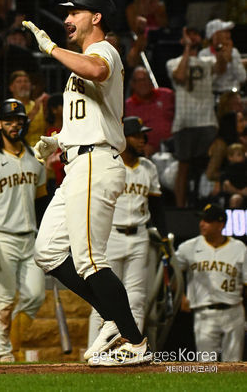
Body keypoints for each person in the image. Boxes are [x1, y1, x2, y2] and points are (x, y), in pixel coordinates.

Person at [23, 0, 151, 366]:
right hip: (79, 162)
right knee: (46, 250)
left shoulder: (104, 50)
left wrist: (50, 50)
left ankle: (135, 342)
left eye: (75, 11)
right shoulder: (81, 59)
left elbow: (97, 70)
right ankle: (113, 318)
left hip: (97, 161)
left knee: (90, 260)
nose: (67, 18)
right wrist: (57, 140)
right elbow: (91, 117)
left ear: (96, 18)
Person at [87, 116, 166, 352]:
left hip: (140, 235)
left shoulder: (148, 167)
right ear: (123, 138)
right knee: (103, 299)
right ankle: (96, 349)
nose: (143, 140)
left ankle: (130, 349)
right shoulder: (109, 164)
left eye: (143, 135)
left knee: (137, 299)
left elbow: (157, 207)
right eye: (137, 135)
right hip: (110, 236)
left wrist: (163, 236)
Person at [0, 99, 48, 363]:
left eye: (19, 120)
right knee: (4, 299)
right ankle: (4, 354)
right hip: (0, 237)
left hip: (31, 237)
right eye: (9, 121)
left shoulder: (35, 157)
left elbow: (42, 202)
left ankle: (12, 345)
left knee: (35, 295)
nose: (14, 125)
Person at [174, 203, 246, 362]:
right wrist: (181, 296)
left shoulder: (239, 248)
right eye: (202, 220)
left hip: (234, 311)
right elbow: (171, 271)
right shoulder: (189, 247)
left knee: (234, 366)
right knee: (206, 365)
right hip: (204, 312)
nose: (202, 224)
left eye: (207, 221)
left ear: (220, 225)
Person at [166, 27, 220, 208]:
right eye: (188, 35)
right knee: (184, 167)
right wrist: (187, 50)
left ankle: (207, 205)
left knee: (207, 167)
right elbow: (180, 77)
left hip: (207, 122)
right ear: (182, 40)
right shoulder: (173, 63)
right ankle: (181, 210)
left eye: (196, 34)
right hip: (184, 123)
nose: (192, 37)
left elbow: (222, 68)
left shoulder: (208, 60)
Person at [124, 67, 175, 156]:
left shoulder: (167, 95)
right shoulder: (128, 106)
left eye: (146, 79)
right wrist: (143, 146)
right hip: (146, 153)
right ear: (133, 84)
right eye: (139, 80)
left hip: (174, 149)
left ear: (151, 81)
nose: (143, 83)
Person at [199, 19, 246, 95]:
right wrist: (221, 60)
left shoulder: (234, 52)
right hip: (214, 96)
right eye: (224, 31)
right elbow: (207, 81)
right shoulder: (204, 54)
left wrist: (231, 59)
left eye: (228, 31)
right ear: (214, 35)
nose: (228, 34)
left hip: (233, 95)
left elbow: (242, 78)